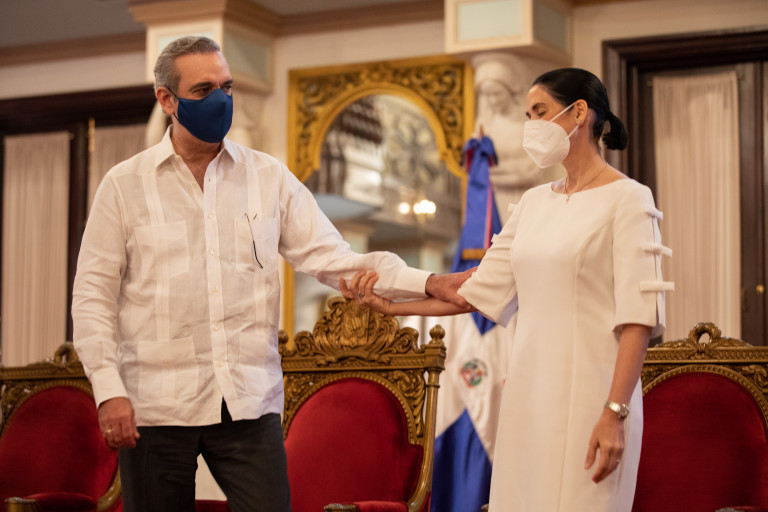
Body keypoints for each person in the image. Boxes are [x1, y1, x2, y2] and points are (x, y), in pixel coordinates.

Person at [71, 36, 469, 512]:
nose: (220, 100)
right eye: (203, 90)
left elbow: (336, 259)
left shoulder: (268, 177)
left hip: (248, 403)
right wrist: (109, 392)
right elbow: (92, 298)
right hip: (156, 405)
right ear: (167, 99)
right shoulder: (123, 186)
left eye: (226, 86)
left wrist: (430, 283)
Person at [342, 67, 671, 511]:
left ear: (579, 113)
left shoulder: (629, 198)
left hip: (593, 397)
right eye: (527, 115)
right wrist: (392, 306)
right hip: (527, 396)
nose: (531, 125)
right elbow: (473, 291)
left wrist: (615, 411)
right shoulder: (533, 203)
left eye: (540, 111)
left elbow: (638, 319)